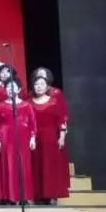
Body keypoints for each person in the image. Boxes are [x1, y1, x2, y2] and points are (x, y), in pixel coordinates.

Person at [0, 78, 37, 204]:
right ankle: (9, 197)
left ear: (18, 89)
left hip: (23, 138)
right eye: (8, 87)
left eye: (13, 87)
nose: (10, 89)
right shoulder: (0, 106)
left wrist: (33, 138)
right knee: (8, 166)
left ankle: (24, 196)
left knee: (23, 166)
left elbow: (33, 123)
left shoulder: (27, 105)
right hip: (5, 139)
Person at [30, 74, 69, 204]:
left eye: (42, 84)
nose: (39, 87)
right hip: (34, 138)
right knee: (36, 166)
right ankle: (38, 195)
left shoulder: (54, 101)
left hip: (51, 137)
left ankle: (52, 195)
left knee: (50, 167)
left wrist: (62, 137)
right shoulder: (28, 102)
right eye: (36, 84)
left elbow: (61, 120)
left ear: (47, 87)